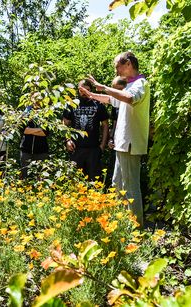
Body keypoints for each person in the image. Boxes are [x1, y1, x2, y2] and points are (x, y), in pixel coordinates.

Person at [79, 51, 150, 228]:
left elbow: (130, 98)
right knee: (117, 184)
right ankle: (119, 224)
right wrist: (92, 95)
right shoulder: (128, 85)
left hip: (130, 144)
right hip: (121, 144)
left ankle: (136, 229)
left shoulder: (140, 83)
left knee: (130, 187)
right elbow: (112, 100)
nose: (116, 70)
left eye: (117, 65)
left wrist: (103, 87)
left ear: (128, 64)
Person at [63, 79, 109, 181]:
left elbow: (105, 125)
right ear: (78, 90)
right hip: (76, 149)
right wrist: (67, 140)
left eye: (87, 90)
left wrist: (102, 145)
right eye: (82, 90)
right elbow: (65, 124)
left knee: (94, 181)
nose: (84, 92)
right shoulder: (71, 104)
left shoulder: (98, 104)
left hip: (94, 149)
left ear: (90, 90)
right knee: (74, 180)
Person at [19, 95, 50, 179]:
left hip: (41, 152)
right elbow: (23, 130)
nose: (37, 101)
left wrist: (30, 130)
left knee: (41, 178)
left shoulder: (46, 113)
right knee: (25, 178)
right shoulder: (26, 113)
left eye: (39, 99)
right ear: (31, 99)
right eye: (34, 99)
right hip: (26, 150)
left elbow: (45, 132)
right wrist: (39, 130)